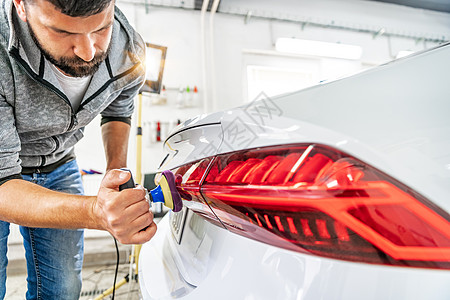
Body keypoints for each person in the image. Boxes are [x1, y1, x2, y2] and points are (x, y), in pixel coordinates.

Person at [0, 0, 157, 298]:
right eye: (61, 31)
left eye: (101, 28)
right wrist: (95, 213)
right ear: (21, 4)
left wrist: (116, 173)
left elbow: (118, 108)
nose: (88, 52)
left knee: (63, 289)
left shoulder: (128, 49)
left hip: (60, 165)